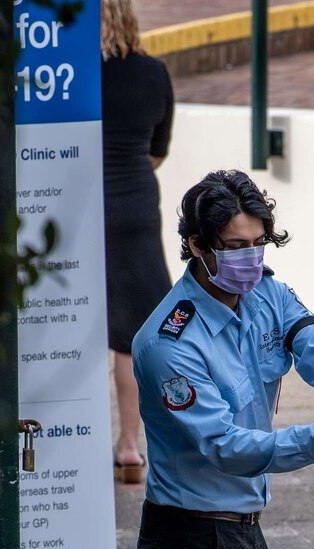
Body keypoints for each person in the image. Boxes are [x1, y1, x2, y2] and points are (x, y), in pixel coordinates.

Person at [132, 170, 314, 549]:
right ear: (198, 245)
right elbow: (223, 445)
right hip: (192, 538)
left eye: (258, 245)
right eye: (236, 247)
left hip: (247, 527)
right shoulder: (170, 343)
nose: (251, 259)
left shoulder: (266, 294)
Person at [100, 0, 175, 482]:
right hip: (136, 206)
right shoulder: (153, 72)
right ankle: (132, 444)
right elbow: (157, 151)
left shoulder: (70, 74)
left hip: (74, 202)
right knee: (138, 331)